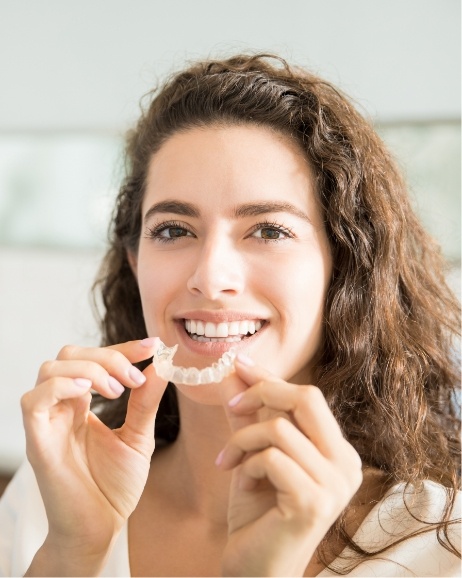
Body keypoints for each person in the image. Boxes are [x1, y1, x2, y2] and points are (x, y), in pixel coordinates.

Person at [0, 53, 460, 577]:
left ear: (345, 266)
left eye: (268, 230)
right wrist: (73, 553)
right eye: (173, 230)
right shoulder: (49, 501)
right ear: (135, 261)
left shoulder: (437, 546)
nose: (210, 276)